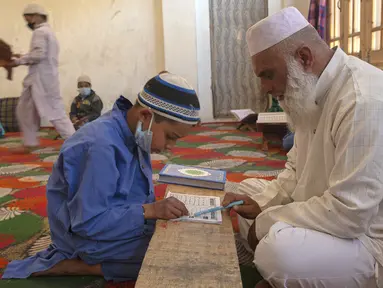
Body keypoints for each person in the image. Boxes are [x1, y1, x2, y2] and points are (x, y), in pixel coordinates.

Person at [223, 7, 383, 288]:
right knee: (245, 193)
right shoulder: (308, 89)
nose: (264, 88)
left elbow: (350, 214)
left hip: (365, 240)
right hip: (323, 216)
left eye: (268, 75)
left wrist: (266, 221)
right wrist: (264, 206)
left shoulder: (361, 100)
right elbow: (295, 171)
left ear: (304, 58)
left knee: (279, 252)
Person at [3, 72, 201, 282]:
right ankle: (82, 266)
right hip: (86, 236)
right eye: (171, 137)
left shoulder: (135, 130)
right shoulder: (100, 146)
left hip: (118, 220)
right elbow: (88, 223)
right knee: (175, 257)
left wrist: (151, 211)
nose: (170, 147)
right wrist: (151, 210)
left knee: (181, 239)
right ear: (145, 116)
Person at [6, 4, 75, 153]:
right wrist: (22, 57)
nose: (28, 22)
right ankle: (30, 143)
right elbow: (39, 54)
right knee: (24, 110)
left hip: (43, 82)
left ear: (37, 16)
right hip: (38, 80)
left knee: (56, 113)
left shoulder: (40, 32)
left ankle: (76, 143)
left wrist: (17, 61)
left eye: (29, 18)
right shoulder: (47, 33)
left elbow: (38, 55)